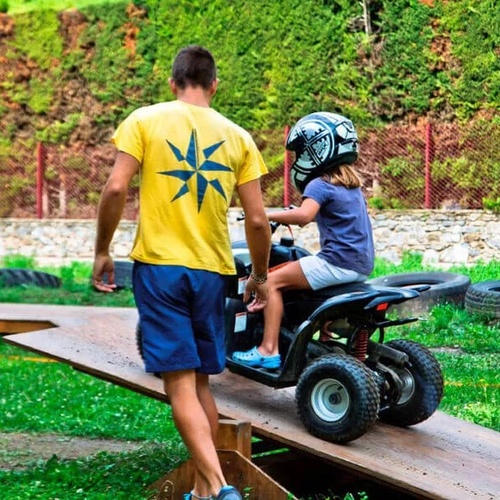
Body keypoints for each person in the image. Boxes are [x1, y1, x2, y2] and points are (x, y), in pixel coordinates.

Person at [92, 45, 271, 500]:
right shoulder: (238, 137)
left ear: (172, 83)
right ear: (214, 85)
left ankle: (218, 486)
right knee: (199, 383)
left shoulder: (144, 120)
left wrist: (102, 250)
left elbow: (115, 187)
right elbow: (257, 221)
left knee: (178, 383)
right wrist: (260, 276)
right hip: (213, 270)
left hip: (160, 268)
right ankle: (205, 493)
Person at [232, 112, 374, 369]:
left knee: (270, 281)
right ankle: (323, 343)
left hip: (336, 262)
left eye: (300, 153)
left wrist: (262, 213)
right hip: (360, 265)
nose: (298, 160)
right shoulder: (350, 185)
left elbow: (305, 215)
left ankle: (268, 350)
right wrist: (286, 214)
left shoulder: (320, 183)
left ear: (316, 150)